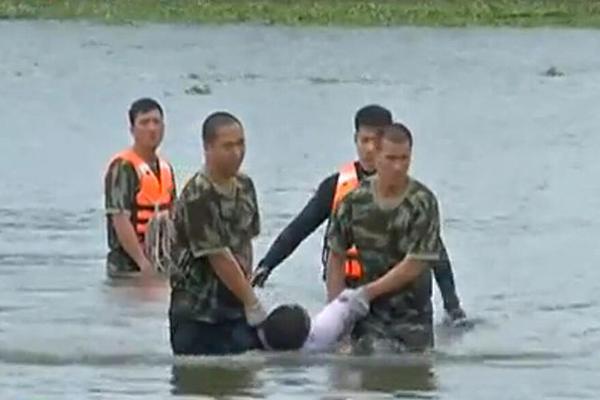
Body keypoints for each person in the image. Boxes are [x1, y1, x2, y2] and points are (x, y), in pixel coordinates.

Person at [252, 105, 466, 322]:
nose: (370, 149)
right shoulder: (338, 187)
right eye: (365, 141)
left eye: (376, 141)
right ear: (355, 140)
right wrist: (266, 265)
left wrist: (452, 304)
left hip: (400, 292)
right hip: (349, 287)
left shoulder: (413, 197)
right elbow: (299, 228)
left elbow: (433, 251)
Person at [325, 122, 441, 353]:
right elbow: (336, 255)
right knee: (366, 371)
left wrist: (367, 292)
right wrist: (337, 311)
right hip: (370, 314)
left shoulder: (422, 202)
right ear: (376, 156)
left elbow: (416, 262)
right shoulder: (355, 201)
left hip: (413, 316)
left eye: (404, 158)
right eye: (390, 158)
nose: (398, 167)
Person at [168, 111, 268, 356]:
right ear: (208, 148)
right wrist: (252, 302)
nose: (237, 153)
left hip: (235, 309)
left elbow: (245, 243)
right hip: (198, 315)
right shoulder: (198, 195)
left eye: (241, 144)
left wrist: (249, 288)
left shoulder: (245, 186)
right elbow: (218, 257)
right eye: (227, 146)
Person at [104, 98, 176, 277]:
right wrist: (143, 264)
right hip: (128, 266)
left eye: (156, 122)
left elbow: (175, 214)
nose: (152, 128)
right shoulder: (123, 167)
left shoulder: (166, 167)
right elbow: (120, 219)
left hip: (162, 259)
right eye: (144, 122)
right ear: (132, 130)